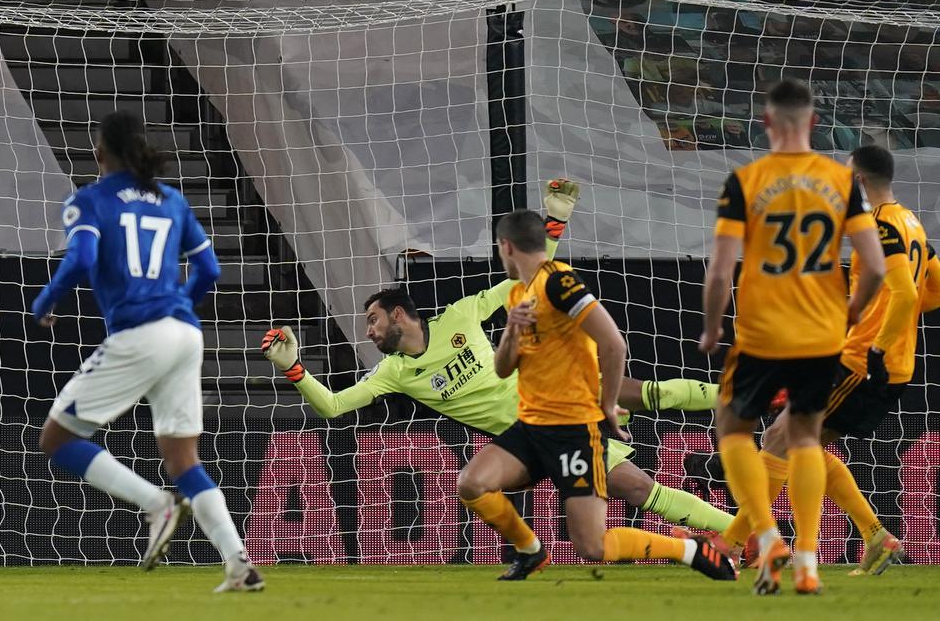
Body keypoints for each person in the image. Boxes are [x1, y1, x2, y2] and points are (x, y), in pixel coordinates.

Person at [260, 183, 733, 580]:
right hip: (522, 434)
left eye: (372, 320)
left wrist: (552, 225)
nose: (368, 331)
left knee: (638, 483)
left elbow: (529, 278)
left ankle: (738, 532)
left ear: (398, 314)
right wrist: (294, 369)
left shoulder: (461, 314)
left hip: (563, 415)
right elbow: (334, 407)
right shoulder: (393, 373)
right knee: (472, 485)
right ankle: (530, 549)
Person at [31, 111, 263, 592]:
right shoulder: (171, 201)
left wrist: (45, 302)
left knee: (57, 439)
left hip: (141, 333)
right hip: (185, 332)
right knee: (184, 459)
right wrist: (177, 306)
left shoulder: (88, 201)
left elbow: (82, 259)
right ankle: (238, 563)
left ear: (99, 152)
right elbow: (210, 269)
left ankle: (155, 504)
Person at [452, 209, 736, 580]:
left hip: (574, 431)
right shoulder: (520, 296)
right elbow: (503, 369)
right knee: (472, 483)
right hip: (531, 427)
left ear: (504, 246)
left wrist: (607, 405)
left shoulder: (559, 282)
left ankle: (689, 549)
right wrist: (510, 332)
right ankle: (530, 552)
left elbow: (614, 344)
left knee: (593, 546)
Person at [700, 79, 886, 595]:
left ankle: (766, 535)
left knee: (733, 427)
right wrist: (849, 311)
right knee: (806, 438)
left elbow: (719, 272)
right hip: (821, 333)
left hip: (761, 332)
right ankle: (807, 561)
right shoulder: (842, 181)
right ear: (814, 123)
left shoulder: (746, 181)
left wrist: (713, 326)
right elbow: (873, 266)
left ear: (765, 123)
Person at [715, 145, 935, 576]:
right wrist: (890, 321)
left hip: (862, 362)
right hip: (882, 362)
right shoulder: (911, 223)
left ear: (857, 181)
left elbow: (908, 294)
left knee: (780, 439)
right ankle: (876, 536)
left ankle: (731, 543)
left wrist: (876, 342)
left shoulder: (881, 227)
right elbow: (933, 290)